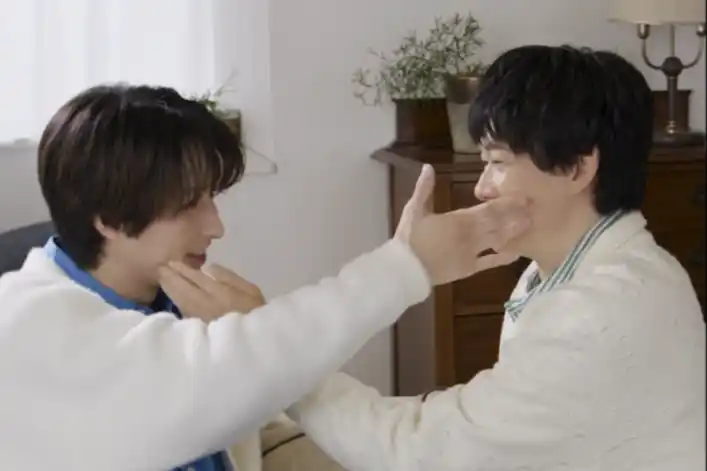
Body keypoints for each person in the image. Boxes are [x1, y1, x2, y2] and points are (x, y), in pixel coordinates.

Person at [0, 84, 531, 470]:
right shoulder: (28, 326)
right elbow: (221, 373)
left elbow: (254, 403)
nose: (216, 226)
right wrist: (407, 265)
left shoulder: (175, 295)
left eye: (211, 198)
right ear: (110, 219)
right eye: (189, 206)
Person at [273, 46, 705, 470]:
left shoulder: (597, 313)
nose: (482, 188)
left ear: (577, 168)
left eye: (498, 162)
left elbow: (425, 452)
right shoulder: (571, 270)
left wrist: (277, 362)